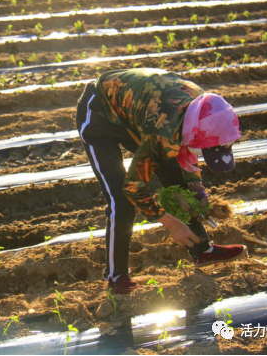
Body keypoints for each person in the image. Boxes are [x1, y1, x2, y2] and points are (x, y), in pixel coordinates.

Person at [76, 68, 247, 295]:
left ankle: (202, 251)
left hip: (136, 112)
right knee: (120, 199)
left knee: (176, 176)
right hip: (99, 112)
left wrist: (198, 191)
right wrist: (170, 223)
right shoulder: (164, 129)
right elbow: (133, 186)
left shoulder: (204, 109)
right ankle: (116, 278)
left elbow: (185, 155)